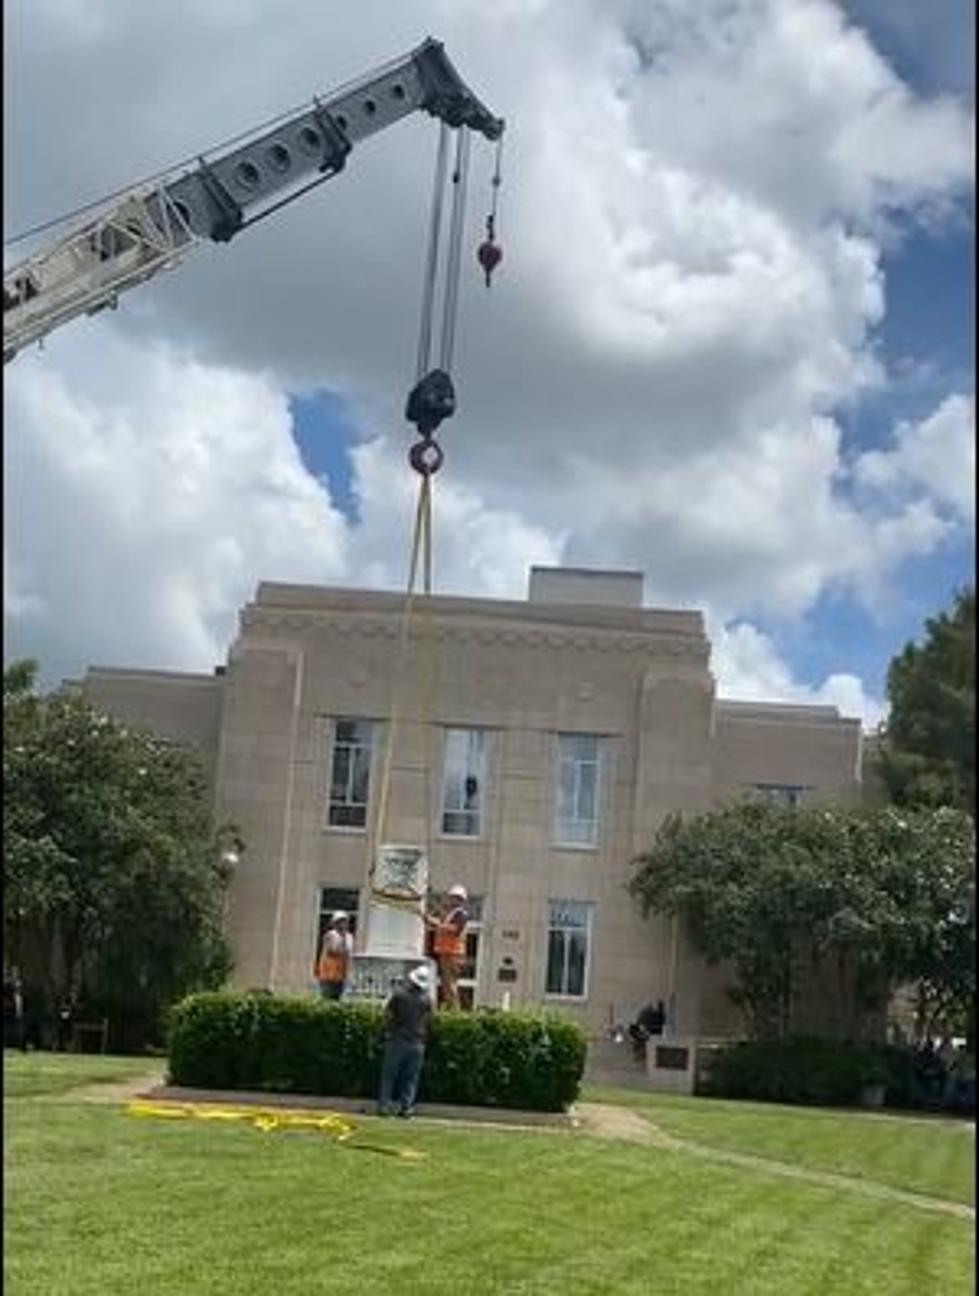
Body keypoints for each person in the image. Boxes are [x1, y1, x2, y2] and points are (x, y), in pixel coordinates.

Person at [378, 964, 433, 1118]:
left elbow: (386, 1013)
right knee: (411, 1078)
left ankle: (384, 1107)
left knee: (389, 1076)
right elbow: (429, 1020)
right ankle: (406, 1108)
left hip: (397, 1040)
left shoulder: (399, 995)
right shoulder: (426, 999)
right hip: (417, 1043)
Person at [427, 885, 470, 1009]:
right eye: (451, 897)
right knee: (446, 982)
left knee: (451, 983)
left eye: (454, 898)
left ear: (460, 900)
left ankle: (454, 1010)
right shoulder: (450, 914)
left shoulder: (461, 914)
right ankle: (449, 1007)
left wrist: (438, 924)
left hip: (454, 952)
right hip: (446, 951)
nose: (451, 900)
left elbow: (456, 929)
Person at [314, 911, 353, 1001]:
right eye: (340, 921)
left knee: (337, 998)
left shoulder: (349, 937)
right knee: (327, 997)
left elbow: (348, 953)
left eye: (344, 921)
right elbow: (332, 950)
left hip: (341, 973)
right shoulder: (330, 935)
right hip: (328, 973)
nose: (343, 924)